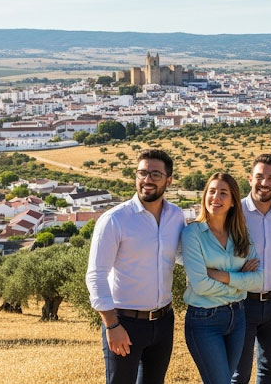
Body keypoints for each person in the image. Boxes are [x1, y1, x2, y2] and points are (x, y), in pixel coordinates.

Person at [86, 149, 185, 384]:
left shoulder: (176, 216)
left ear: (168, 181)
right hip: (124, 322)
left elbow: (182, 256)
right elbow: (96, 275)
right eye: (142, 173)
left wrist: (223, 270)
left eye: (155, 174)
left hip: (163, 322)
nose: (147, 180)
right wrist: (112, 325)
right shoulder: (114, 219)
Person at [182, 173, 264, 384]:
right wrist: (240, 283)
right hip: (204, 320)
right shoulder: (192, 234)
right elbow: (200, 285)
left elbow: (258, 280)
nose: (215, 197)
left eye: (223, 193)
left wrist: (221, 275)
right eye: (211, 191)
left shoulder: (241, 233)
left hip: (237, 318)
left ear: (234, 201)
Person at [233, 154, 271, 384]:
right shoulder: (234, 211)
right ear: (249, 179)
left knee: (269, 369)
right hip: (242, 302)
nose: (265, 183)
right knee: (240, 372)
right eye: (259, 177)